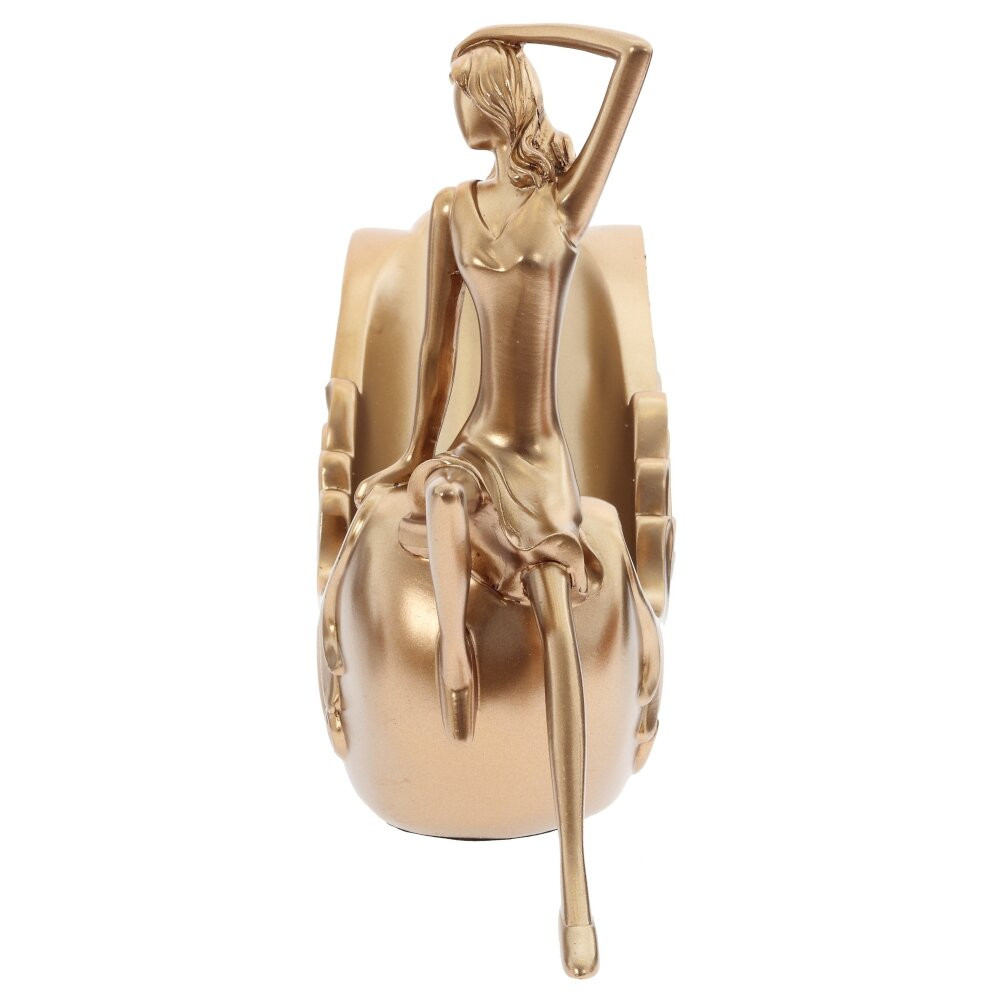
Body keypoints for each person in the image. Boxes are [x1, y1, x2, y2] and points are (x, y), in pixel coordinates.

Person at [353, 25, 653, 978]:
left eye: (466, 86)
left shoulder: (564, 205)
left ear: (499, 97)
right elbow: (436, 355)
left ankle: (575, 890)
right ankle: (454, 654)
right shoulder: (451, 210)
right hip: (477, 446)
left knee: (560, 626)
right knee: (442, 488)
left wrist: (525, 34)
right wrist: (410, 455)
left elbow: (635, 60)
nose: (456, 107)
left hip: (542, 462)